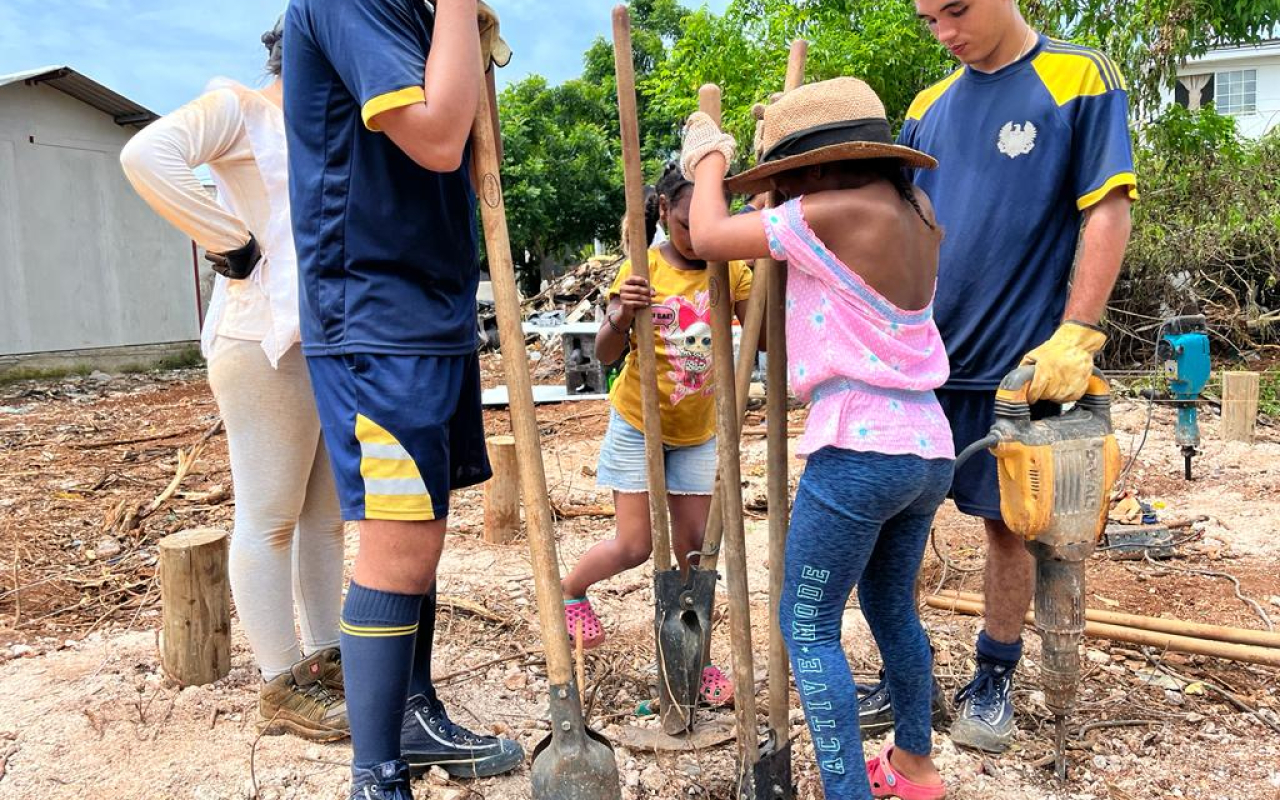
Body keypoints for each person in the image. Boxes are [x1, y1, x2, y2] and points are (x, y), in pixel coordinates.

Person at [859, 0, 1137, 754]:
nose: (945, 33)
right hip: (920, 364)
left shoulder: (1077, 77)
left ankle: (994, 676)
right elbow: (890, 225)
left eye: (956, 11)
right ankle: (903, 673)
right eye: (929, 21)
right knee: (892, 524)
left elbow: (1107, 210)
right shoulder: (927, 107)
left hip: (1019, 370)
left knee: (1010, 526)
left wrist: (1079, 330)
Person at [683, 76, 953, 800]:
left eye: (792, 174)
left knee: (806, 626)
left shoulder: (829, 212)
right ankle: (915, 766)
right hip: (926, 443)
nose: (788, 189)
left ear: (821, 167)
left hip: (859, 446)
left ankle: (846, 792)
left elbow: (707, 235)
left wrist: (708, 155)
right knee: (891, 608)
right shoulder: (916, 209)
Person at [281, 1, 522, 797]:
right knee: (399, 544)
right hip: (376, 317)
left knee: (422, 533)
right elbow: (438, 137)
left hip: (428, 309)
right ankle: (376, 778)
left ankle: (411, 717)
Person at [120, 17, 347, 742]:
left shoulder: (323, 129)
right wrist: (229, 239)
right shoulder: (240, 107)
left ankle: (327, 662)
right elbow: (146, 153)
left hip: (319, 341)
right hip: (257, 342)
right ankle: (281, 683)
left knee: (324, 516)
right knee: (270, 516)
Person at [560, 163, 753, 707]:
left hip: (697, 430)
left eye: (710, 221)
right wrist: (622, 314)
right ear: (664, 211)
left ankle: (696, 660)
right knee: (636, 545)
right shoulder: (642, 268)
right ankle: (571, 590)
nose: (698, 236)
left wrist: (763, 266)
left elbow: (760, 335)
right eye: (687, 223)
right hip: (639, 423)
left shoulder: (729, 265)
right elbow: (605, 354)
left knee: (696, 557)